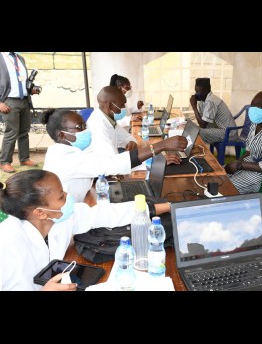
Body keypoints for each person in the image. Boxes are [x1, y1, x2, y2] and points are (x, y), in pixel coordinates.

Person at [0, 169, 171, 290]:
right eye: (61, 197)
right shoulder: (8, 245)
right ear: (40, 213)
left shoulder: (59, 218)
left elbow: (103, 214)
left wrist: (168, 207)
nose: (68, 197)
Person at [42, 109, 187, 203]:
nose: (86, 130)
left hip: (84, 203)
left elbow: (108, 163)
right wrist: (161, 145)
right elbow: (112, 164)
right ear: (62, 135)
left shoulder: (75, 151)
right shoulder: (66, 159)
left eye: (85, 125)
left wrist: (153, 163)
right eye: (80, 127)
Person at [0, 52, 39, 173]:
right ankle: (5, 162)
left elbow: (22, 80)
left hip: (24, 100)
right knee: (11, 132)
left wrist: (31, 89)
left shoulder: (19, 58)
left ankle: (24, 158)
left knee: (24, 132)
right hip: (8, 101)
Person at [87, 86, 139, 156]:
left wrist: (131, 142)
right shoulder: (98, 126)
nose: (124, 108)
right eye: (122, 105)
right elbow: (112, 161)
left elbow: (126, 137)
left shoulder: (109, 119)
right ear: (110, 106)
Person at [189, 77, 238, 144]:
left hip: (229, 133)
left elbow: (203, 125)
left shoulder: (211, 101)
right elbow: (202, 122)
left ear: (206, 90)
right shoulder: (202, 100)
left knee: (196, 132)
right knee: (193, 129)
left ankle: (202, 153)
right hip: (219, 129)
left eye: (198, 91)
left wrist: (194, 107)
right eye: (195, 91)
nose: (196, 94)